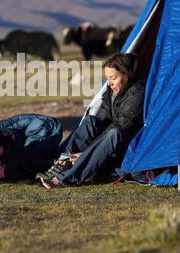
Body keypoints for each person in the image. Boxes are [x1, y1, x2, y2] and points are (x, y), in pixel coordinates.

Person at [37, 53, 145, 189]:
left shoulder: (137, 93)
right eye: (107, 78)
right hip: (108, 141)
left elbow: (120, 127)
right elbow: (101, 119)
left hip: (128, 146)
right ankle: (63, 164)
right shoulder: (111, 91)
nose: (109, 83)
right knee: (90, 121)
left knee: (114, 134)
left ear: (126, 74)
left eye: (113, 78)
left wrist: (85, 153)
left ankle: (67, 178)